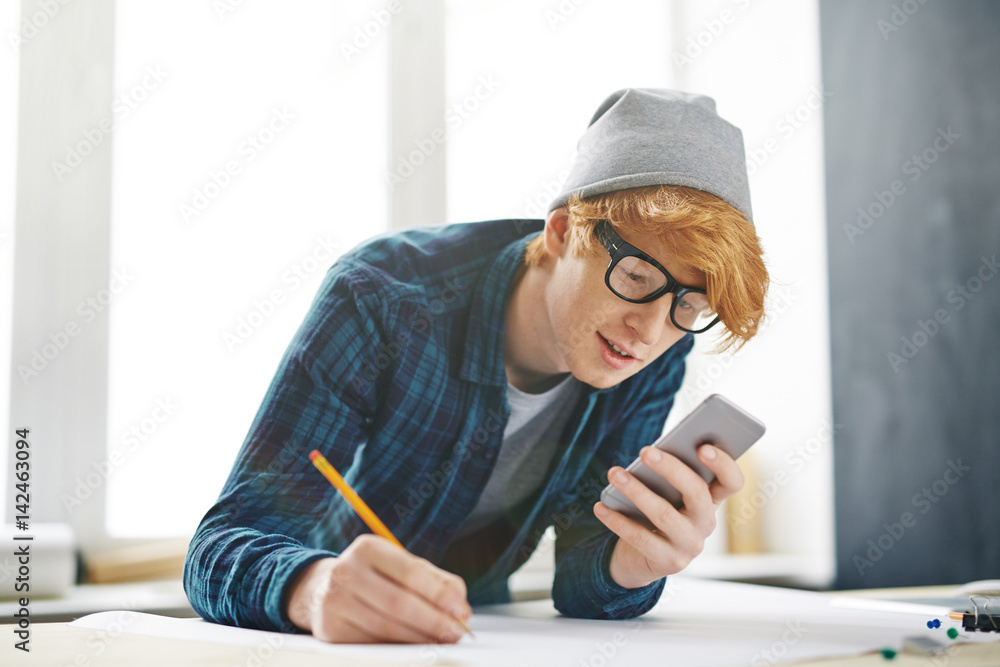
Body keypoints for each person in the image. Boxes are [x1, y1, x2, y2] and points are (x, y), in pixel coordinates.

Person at [183, 88, 769, 644]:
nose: (650, 331)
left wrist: (634, 561)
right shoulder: (381, 296)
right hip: (334, 638)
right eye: (636, 277)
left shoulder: (655, 349)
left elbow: (581, 576)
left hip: (479, 639)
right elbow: (220, 547)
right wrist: (315, 591)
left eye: (690, 306)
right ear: (563, 231)